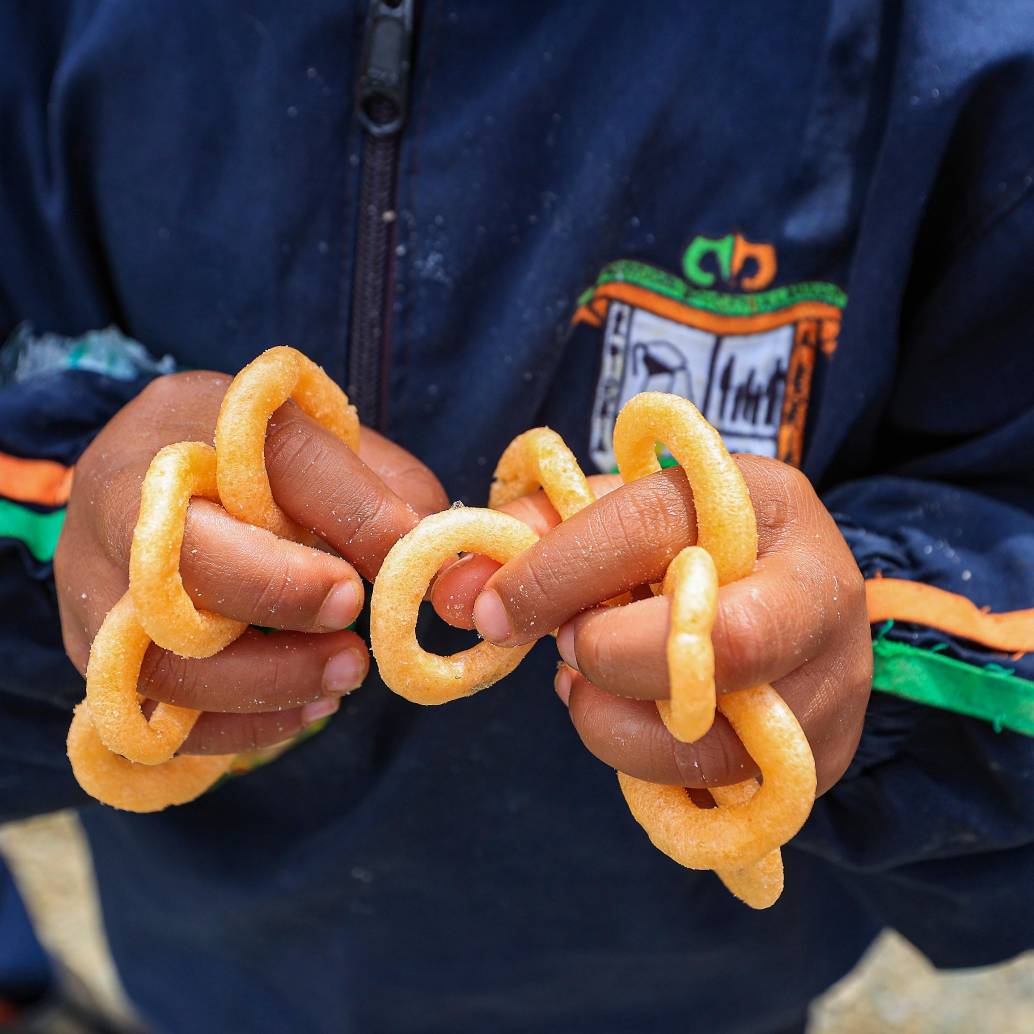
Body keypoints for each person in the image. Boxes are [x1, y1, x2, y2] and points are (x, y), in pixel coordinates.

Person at [2, 2, 1033, 1032]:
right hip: (213, 969)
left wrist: (859, 646)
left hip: (689, 994)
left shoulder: (952, 53)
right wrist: (76, 526)